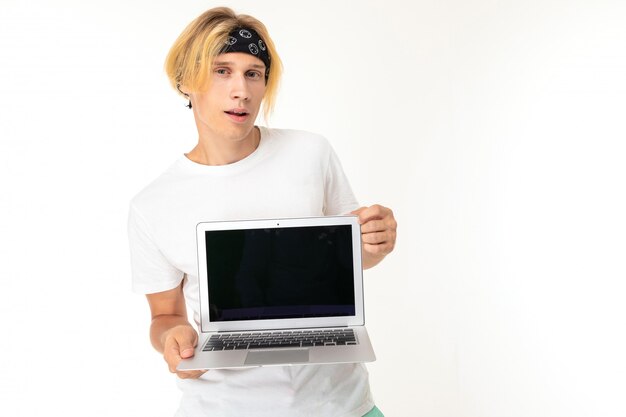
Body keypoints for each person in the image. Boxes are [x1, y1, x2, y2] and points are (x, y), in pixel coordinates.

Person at [128, 6, 397, 417]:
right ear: (186, 81)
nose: (242, 90)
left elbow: (352, 257)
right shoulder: (153, 204)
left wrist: (375, 245)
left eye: (253, 73)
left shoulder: (311, 152)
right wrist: (173, 336)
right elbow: (164, 315)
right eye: (222, 71)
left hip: (341, 405)